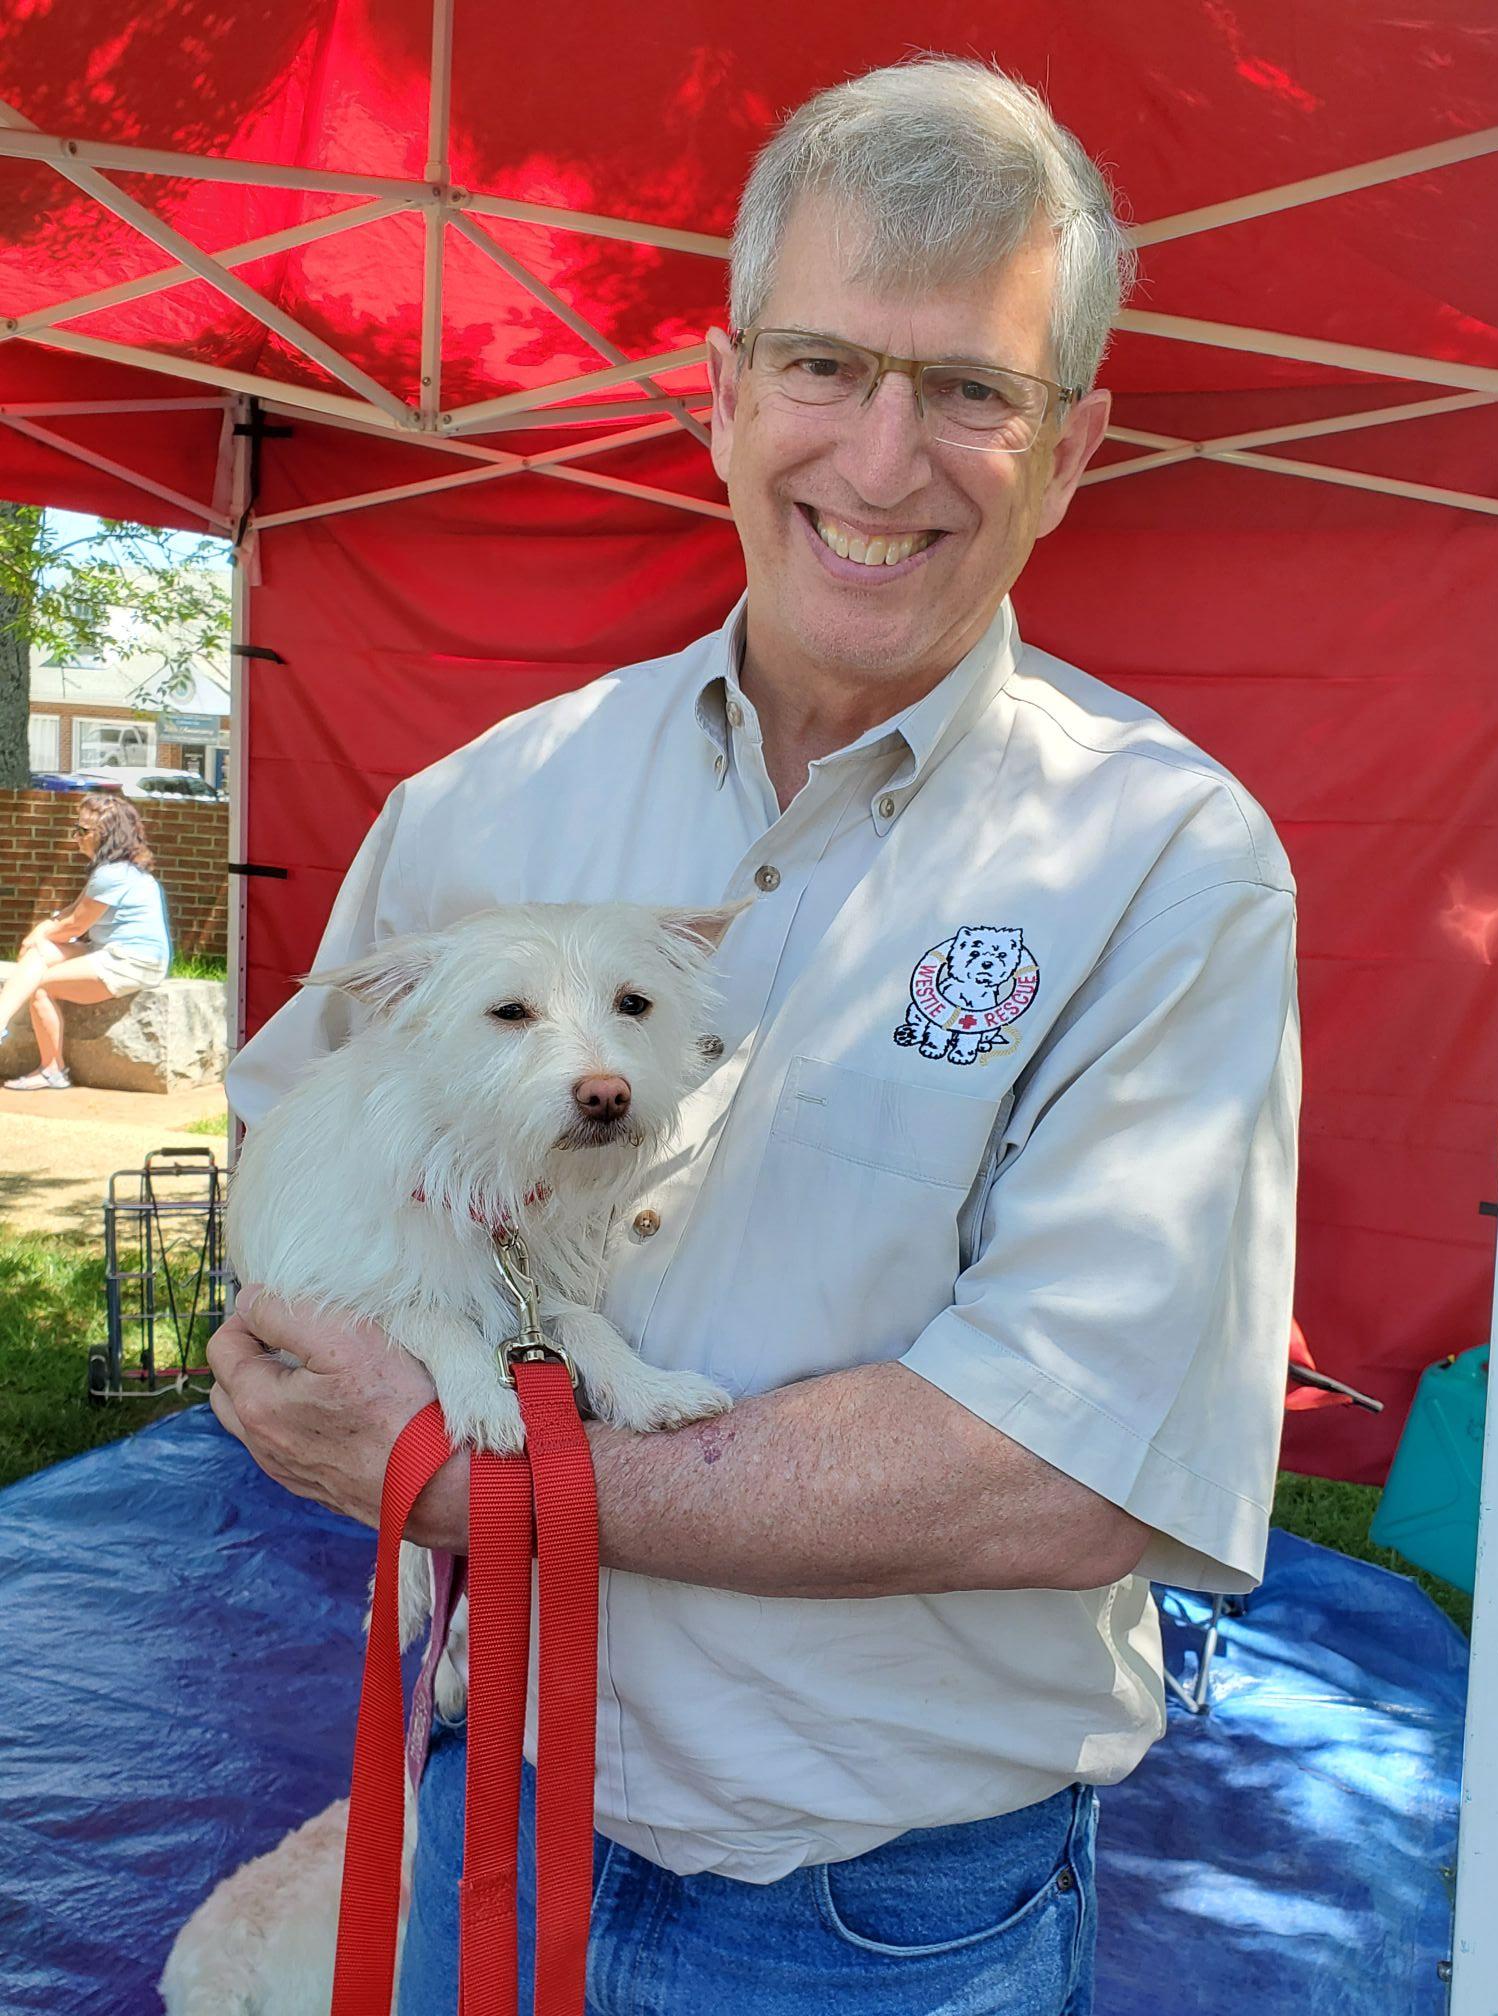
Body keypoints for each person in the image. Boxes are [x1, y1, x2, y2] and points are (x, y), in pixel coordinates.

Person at [209, 56, 1299, 2015]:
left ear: (1068, 448)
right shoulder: (479, 808)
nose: (879, 462)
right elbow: (289, 1198)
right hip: (486, 1814)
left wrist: (474, 1472)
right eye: (821, 366)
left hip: (880, 1924)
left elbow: (1065, 1463)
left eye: (968, 391)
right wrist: (333, 1349)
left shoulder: (1161, 864)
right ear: (720, 393)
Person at [1, 792, 172, 1090]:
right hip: (109, 950)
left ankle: (52, 1071)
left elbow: (75, 925)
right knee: (41, 952)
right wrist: (39, 935)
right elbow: (71, 913)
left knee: (41, 986)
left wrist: (38, 933)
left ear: (105, 834)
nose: (75, 837)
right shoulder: (111, 869)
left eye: (83, 830)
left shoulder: (112, 874)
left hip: (132, 961)